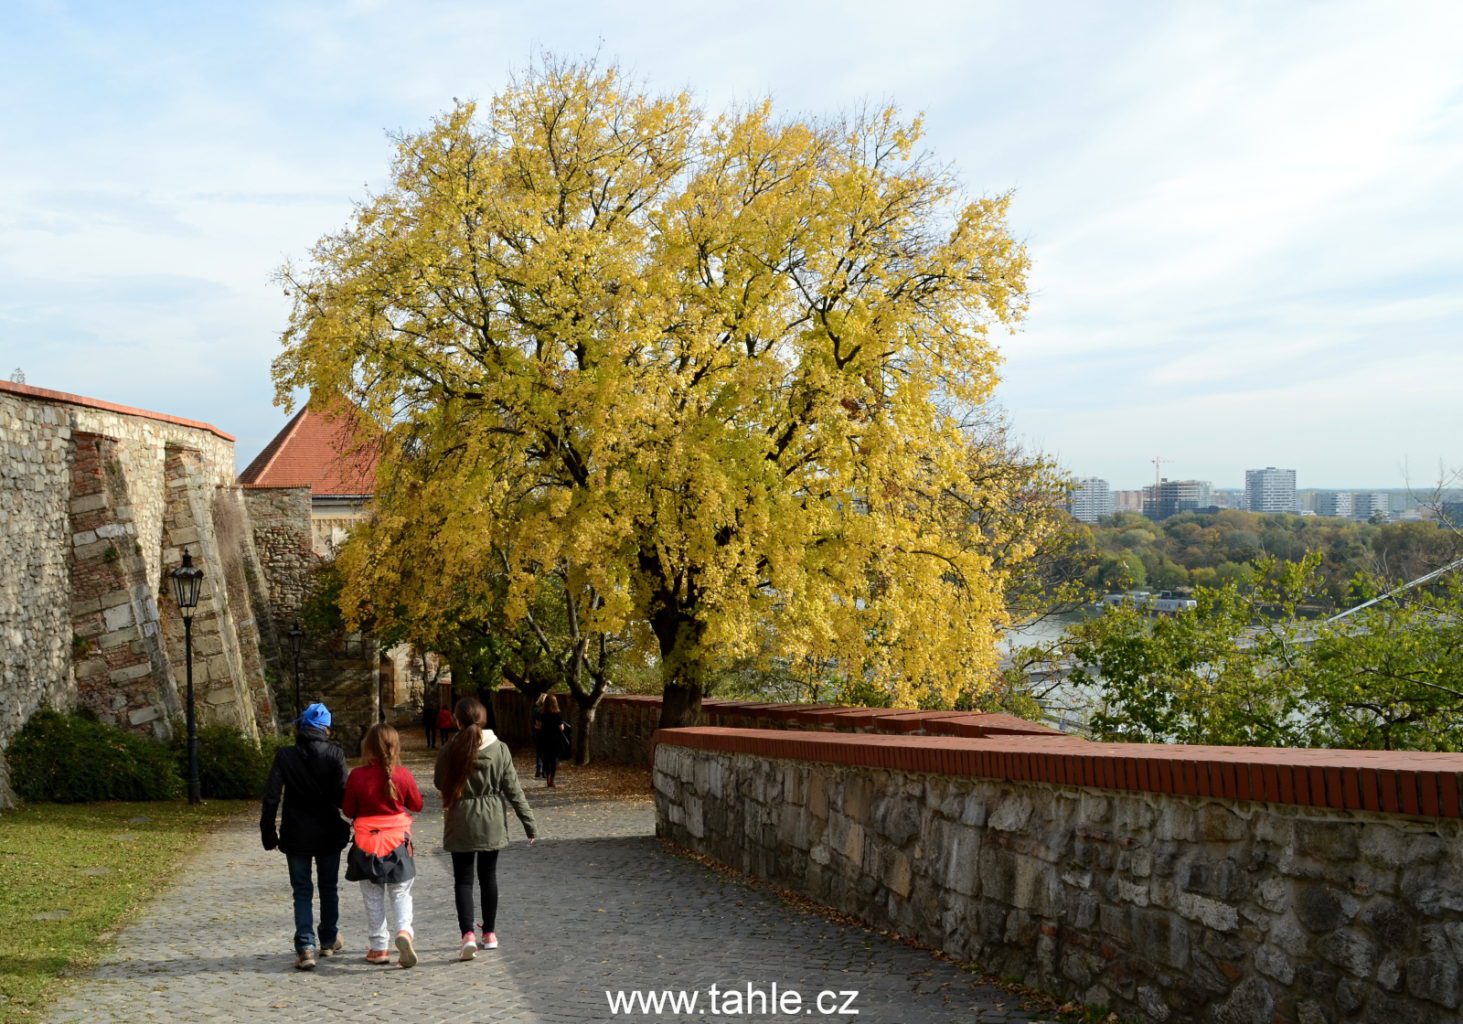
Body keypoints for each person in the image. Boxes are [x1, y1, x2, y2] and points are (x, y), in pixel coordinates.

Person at [434, 697, 537, 960]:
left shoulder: (449, 749)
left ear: (457, 721)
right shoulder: (499, 748)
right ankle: (489, 933)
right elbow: (512, 789)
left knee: (463, 880)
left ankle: (467, 934)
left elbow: (438, 781)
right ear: (483, 719)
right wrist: (529, 823)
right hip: (491, 819)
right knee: (488, 877)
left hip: (461, 820)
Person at [260, 702, 351, 971]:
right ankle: (328, 938)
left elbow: (271, 797)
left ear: (302, 727)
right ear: (326, 729)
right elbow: (342, 797)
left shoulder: (285, 756)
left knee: (301, 890)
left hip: (296, 832)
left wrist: (268, 831)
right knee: (328, 887)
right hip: (327, 832)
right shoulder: (335, 755)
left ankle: (305, 946)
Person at [342, 723, 424, 968]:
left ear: (368, 747)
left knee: (372, 897)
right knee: (400, 893)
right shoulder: (403, 774)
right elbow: (417, 805)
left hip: (367, 844)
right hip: (398, 844)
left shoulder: (357, 775)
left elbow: (348, 810)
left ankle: (379, 948)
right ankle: (403, 932)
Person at [536, 695, 566, 788]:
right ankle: (552, 779)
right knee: (553, 760)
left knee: (546, 759)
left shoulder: (541, 714)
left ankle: (547, 777)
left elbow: (538, 726)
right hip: (555, 739)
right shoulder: (557, 714)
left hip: (544, 738)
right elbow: (561, 727)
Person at [530, 693, 547, 778]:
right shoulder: (546, 711)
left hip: (537, 733)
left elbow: (534, 723)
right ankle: (544, 771)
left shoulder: (535, 710)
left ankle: (538, 769)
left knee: (539, 752)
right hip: (545, 733)